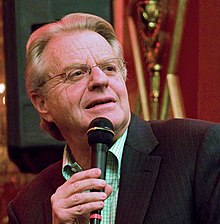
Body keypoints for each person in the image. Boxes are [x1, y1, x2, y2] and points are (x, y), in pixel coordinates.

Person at [7, 12, 220, 224]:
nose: (100, 79)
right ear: (42, 103)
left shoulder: (197, 149)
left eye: (109, 68)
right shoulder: (25, 209)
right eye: (77, 73)